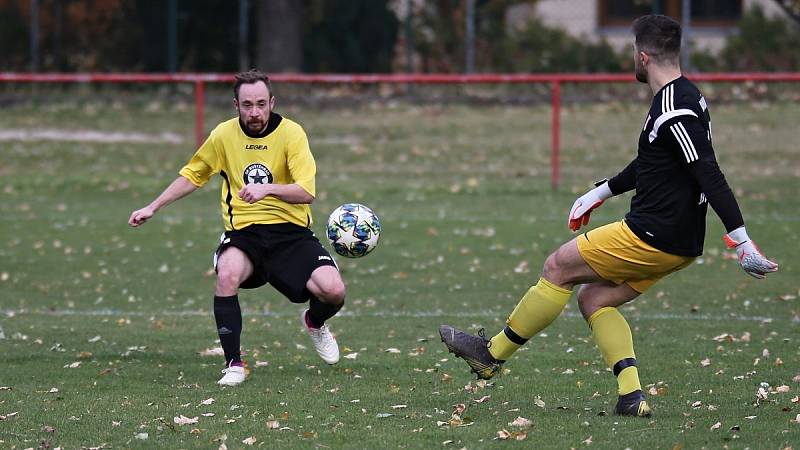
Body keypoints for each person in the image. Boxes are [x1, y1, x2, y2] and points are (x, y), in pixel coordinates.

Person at [439, 15, 778, 417]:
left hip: (652, 235)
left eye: (631, 54)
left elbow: (707, 171)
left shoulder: (673, 109)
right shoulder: (686, 97)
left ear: (643, 56)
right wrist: (600, 192)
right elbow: (653, 163)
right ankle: (631, 397)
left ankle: (491, 355)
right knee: (595, 299)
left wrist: (740, 241)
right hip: (677, 242)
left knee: (557, 266)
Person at [129, 69, 346, 386]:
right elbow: (193, 175)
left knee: (334, 291)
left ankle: (314, 322)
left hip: (291, 233)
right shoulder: (223, 136)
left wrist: (267, 189)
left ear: (272, 102)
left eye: (260, 104)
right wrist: (153, 206)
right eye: (247, 105)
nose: (254, 112)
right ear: (236, 105)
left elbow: (306, 191)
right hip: (245, 234)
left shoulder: (292, 134)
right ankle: (234, 363)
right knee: (228, 273)